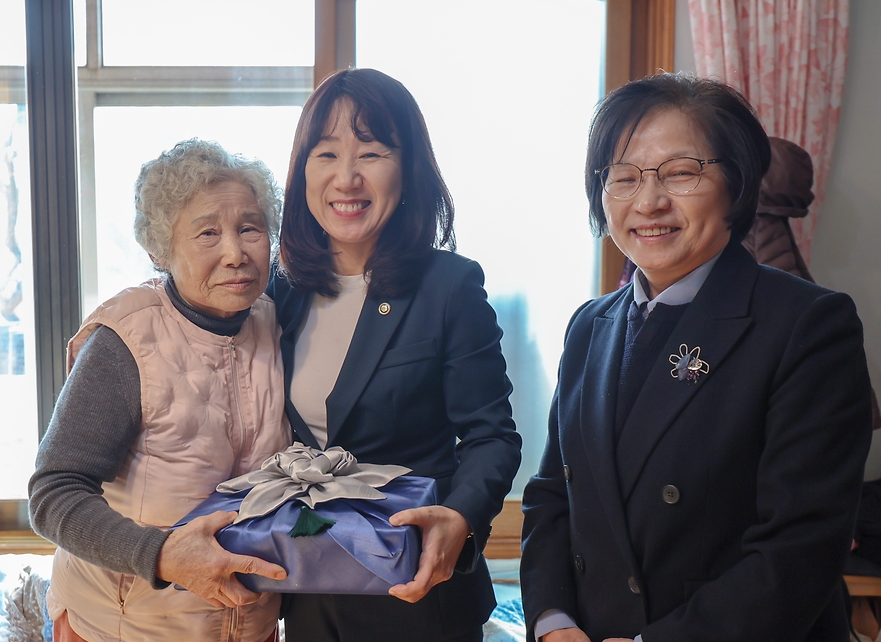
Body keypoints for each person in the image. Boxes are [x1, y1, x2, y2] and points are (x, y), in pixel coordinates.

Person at [520, 73, 873, 642]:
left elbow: (799, 548)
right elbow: (551, 498)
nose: (649, 201)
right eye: (624, 177)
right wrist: (551, 620)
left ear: (736, 183)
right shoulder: (590, 325)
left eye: (682, 173)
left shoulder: (808, 325)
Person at [266, 67, 522, 642]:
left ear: (408, 170)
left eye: (373, 152)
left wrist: (460, 518)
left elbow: (492, 436)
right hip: (307, 589)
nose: (347, 177)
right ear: (302, 170)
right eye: (326, 153)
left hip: (416, 592)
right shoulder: (278, 293)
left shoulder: (449, 287)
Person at [29, 139, 292, 642]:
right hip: (124, 625)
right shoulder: (124, 340)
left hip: (248, 623)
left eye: (250, 228)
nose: (235, 252)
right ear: (160, 250)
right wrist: (163, 555)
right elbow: (52, 493)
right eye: (208, 233)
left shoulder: (276, 323)